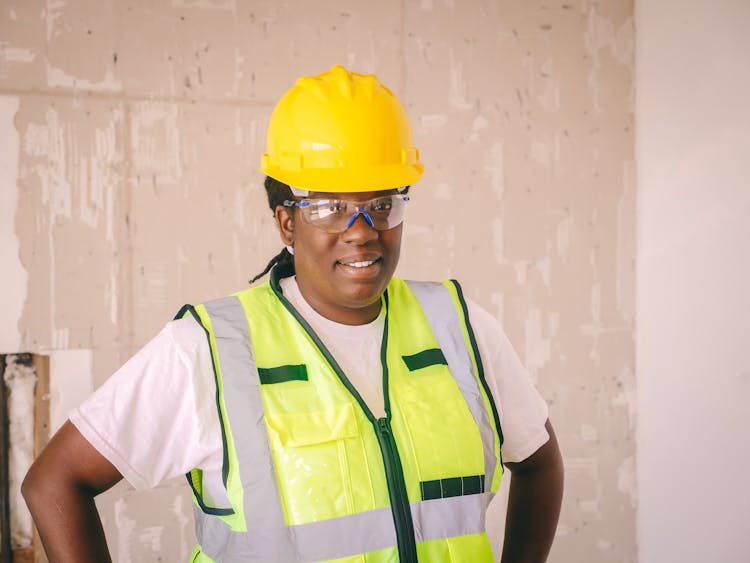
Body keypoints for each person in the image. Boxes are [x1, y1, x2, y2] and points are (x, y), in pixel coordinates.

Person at [22, 65, 563, 562]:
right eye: (329, 206)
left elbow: (538, 463)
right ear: (286, 223)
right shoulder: (212, 351)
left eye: (382, 204)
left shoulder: (459, 328)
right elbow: (55, 480)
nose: (362, 231)